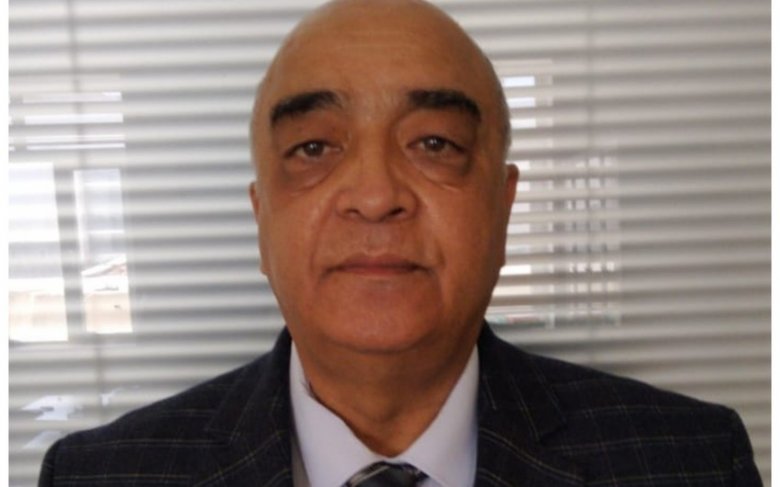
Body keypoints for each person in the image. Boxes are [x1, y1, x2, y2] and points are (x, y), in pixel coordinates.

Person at [39, 0, 762, 486]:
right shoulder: (101, 475)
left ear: (503, 207)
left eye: (435, 143)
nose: (376, 193)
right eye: (315, 147)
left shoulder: (692, 461)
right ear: (262, 221)